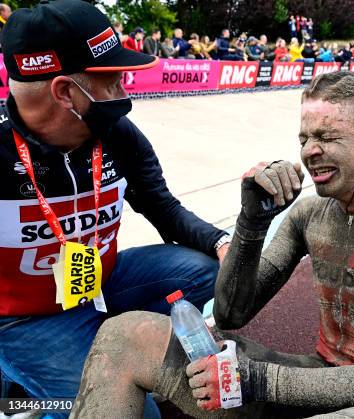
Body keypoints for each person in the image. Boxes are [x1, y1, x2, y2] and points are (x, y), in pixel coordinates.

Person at [71, 71, 354, 418]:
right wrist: (252, 223)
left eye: (327, 137)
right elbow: (230, 314)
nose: (310, 151)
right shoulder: (309, 214)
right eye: (305, 138)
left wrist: (259, 380)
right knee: (125, 335)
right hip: (314, 380)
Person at [0, 1, 230, 417]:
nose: (126, 93)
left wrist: (223, 242)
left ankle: (65, 373)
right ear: (66, 92)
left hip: (100, 287)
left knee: (208, 270)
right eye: (114, 80)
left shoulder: (118, 134)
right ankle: (26, 396)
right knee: (136, 412)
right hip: (23, 321)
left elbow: (163, 207)